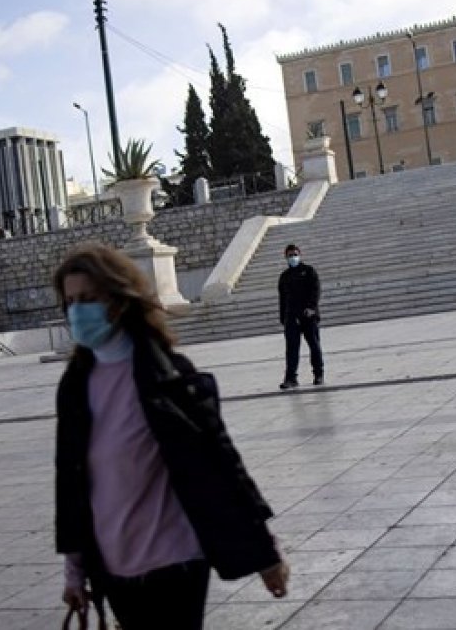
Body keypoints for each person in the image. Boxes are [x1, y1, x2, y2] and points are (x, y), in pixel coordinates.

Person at [53, 243, 289, 630]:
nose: (79, 311)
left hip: (176, 561)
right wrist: (74, 573)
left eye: (88, 299)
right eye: (71, 302)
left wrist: (265, 554)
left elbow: (220, 464)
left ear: (117, 300)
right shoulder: (76, 385)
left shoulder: (169, 375)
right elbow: (72, 484)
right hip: (113, 568)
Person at [278, 244, 324, 389]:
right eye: (290, 255)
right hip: (291, 317)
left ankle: (318, 374)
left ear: (300, 254)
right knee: (291, 348)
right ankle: (291, 378)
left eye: (295, 254)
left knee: (314, 345)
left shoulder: (309, 271)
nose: (293, 257)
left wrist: (311, 308)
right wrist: (283, 318)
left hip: (308, 315)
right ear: (286, 257)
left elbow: (315, 291)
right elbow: (282, 299)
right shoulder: (284, 276)